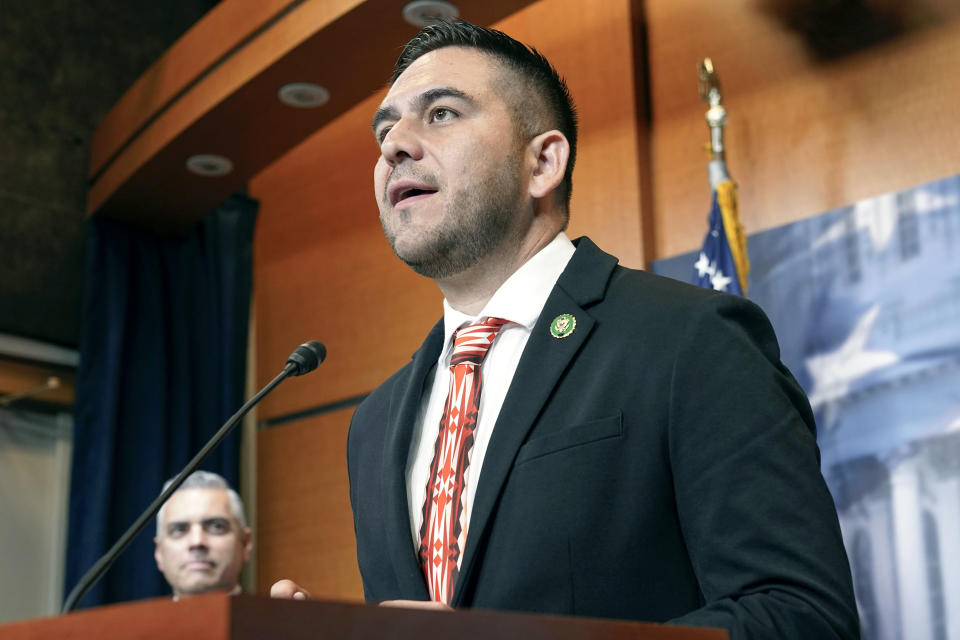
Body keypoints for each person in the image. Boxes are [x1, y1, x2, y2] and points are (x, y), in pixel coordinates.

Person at [274, 20, 859, 639]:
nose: (395, 145)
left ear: (543, 162)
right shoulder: (373, 424)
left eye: (441, 114)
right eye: (385, 129)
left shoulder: (691, 339)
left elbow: (804, 617)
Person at [154, 470, 252, 600]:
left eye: (216, 527)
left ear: (245, 544)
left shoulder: (274, 618)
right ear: (159, 552)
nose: (197, 542)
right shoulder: (130, 620)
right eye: (179, 530)